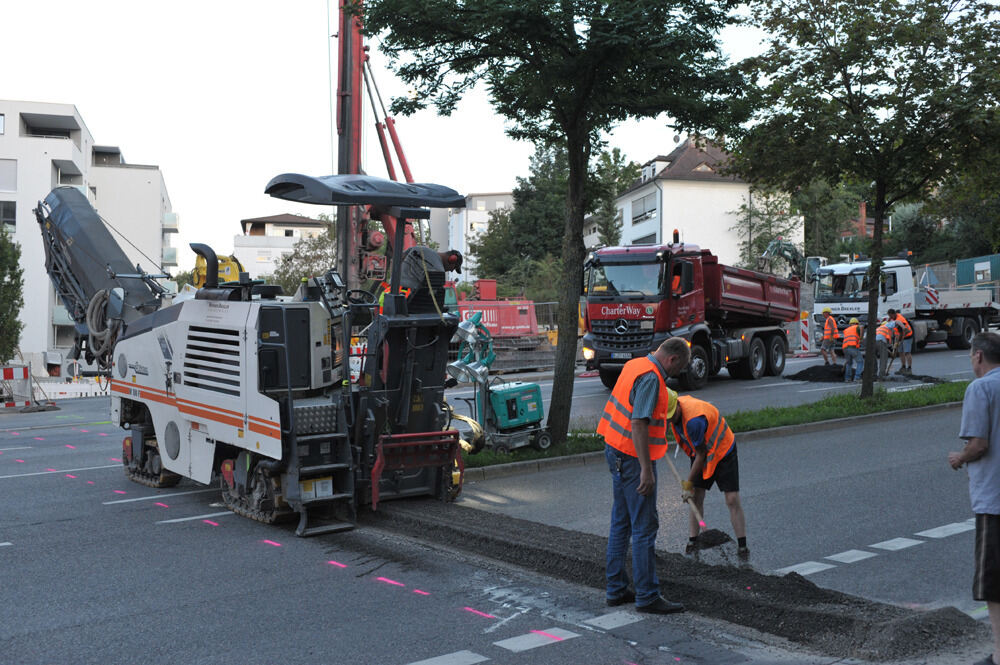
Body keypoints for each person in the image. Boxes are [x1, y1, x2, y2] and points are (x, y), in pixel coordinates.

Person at [597, 337, 691, 614]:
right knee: (644, 528)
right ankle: (647, 596)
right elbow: (638, 423)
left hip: (615, 450)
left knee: (621, 523)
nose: (675, 374)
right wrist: (646, 469)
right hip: (633, 458)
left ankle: (615, 589)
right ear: (672, 359)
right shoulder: (652, 378)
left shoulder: (636, 363)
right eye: (678, 369)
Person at [948, 332, 1000, 665]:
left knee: (994, 583)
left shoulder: (980, 389)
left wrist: (958, 457)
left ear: (978, 356)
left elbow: (978, 443)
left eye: (970, 356)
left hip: (994, 500)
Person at [669, 395, 748, 559]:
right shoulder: (668, 409)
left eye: (672, 415)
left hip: (723, 449)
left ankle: (742, 546)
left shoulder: (693, 421)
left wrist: (688, 484)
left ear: (677, 405)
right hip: (701, 449)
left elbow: (701, 455)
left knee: (731, 498)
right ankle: (693, 541)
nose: (670, 419)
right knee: (696, 496)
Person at [888, 308, 914, 375]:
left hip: (907, 336)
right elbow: (895, 331)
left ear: (893, 314)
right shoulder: (893, 318)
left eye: (891, 316)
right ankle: (903, 367)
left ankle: (909, 368)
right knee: (900, 352)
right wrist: (896, 341)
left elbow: (902, 332)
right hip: (899, 337)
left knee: (907, 352)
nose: (890, 318)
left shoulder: (900, 319)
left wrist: (898, 341)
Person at [841, 317, 864, 382]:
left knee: (849, 363)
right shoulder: (857, 327)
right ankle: (857, 377)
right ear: (856, 323)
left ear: (850, 324)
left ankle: (847, 378)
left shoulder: (846, 329)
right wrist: (861, 339)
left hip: (845, 348)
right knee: (860, 361)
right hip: (853, 347)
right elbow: (862, 327)